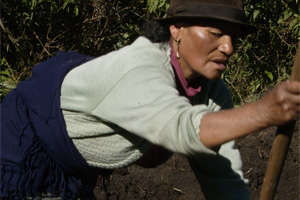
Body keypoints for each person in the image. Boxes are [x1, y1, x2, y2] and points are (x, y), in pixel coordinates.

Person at [1, 0, 299, 199]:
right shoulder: (140, 68)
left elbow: (221, 174)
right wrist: (263, 111)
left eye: (235, 38)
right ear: (176, 30)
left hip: (77, 172)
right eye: (217, 32)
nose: (229, 47)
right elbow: (181, 128)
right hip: (23, 151)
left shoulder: (211, 92)